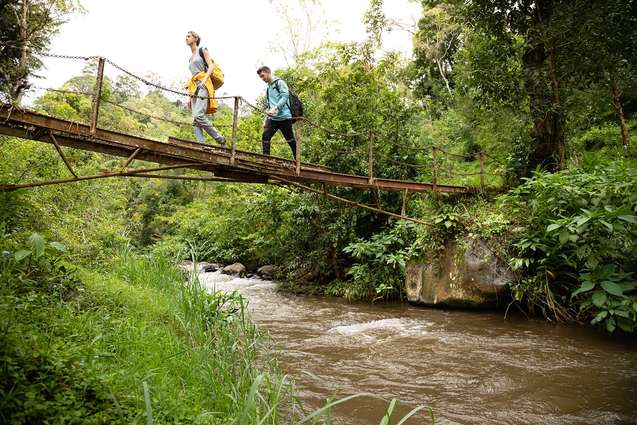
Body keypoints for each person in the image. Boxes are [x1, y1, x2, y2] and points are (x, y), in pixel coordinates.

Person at [185, 31, 226, 146]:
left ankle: (220, 138)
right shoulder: (190, 58)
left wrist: (204, 79)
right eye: (186, 37)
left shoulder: (202, 50)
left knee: (199, 115)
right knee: (195, 119)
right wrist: (189, 98)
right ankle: (200, 145)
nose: (186, 38)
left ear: (195, 38)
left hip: (204, 84)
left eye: (189, 36)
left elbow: (211, 65)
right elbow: (193, 76)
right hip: (194, 87)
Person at [257, 66, 297, 158]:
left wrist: (276, 108)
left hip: (284, 117)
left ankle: (298, 161)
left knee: (290, 140)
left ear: (268, 72)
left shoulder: (279, 83)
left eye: (263, 76)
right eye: (260, 77)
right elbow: (269, 105)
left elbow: (285, 96)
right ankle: (266, 160)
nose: (262, 79)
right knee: (265, 136)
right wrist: (265, 119)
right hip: (272, 118)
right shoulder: (268, 88)